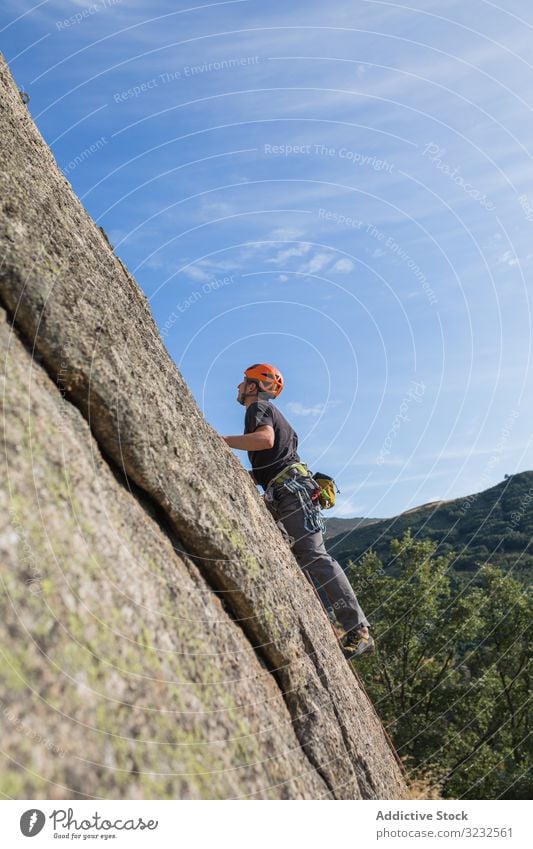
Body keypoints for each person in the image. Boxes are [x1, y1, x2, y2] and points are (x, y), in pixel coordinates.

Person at [222, 363, 374, 659]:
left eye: (243, 382)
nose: (238, 387)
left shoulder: (258, 408)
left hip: (291, 492)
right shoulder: (268, 413)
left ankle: (358, 630)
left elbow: (265, 440)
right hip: (285, 491)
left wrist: (221, 441)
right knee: (292, 553)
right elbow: (272, 463)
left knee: (313, 554)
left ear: (254, 387)